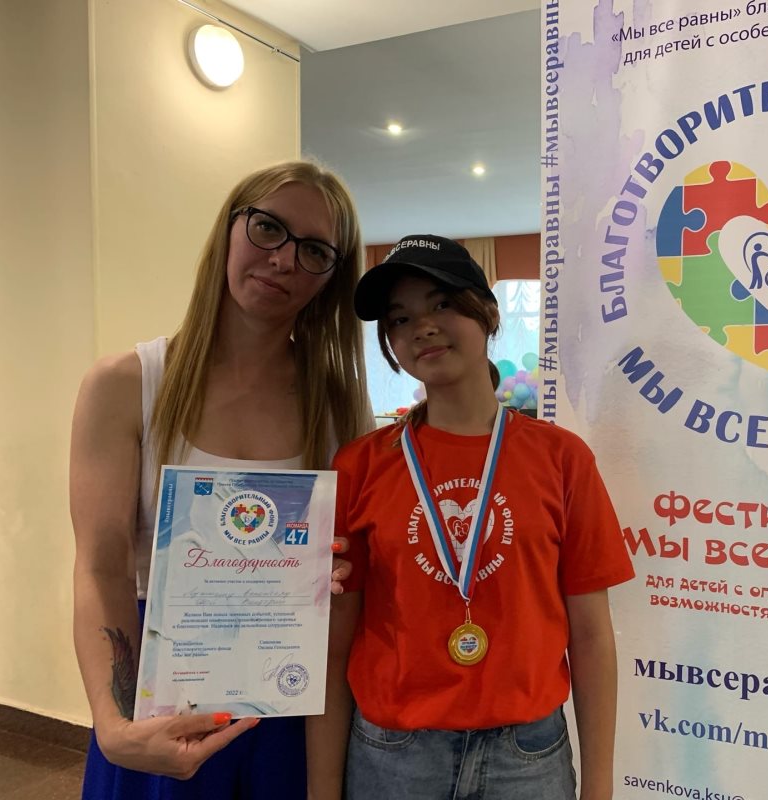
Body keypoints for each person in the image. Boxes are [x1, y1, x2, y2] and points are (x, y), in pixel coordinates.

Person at [70, 160, 372, 799]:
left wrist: (339, 572)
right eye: (269, 228)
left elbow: (351, 586)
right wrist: (115, 725)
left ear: (331, 276)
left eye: (315, 250)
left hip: (289, 707)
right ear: (230, 228)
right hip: (159, 699)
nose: (284, 259)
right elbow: (102, 568)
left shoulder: (340, 407)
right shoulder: (127, 385)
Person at [307, 235, 635, 800]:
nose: (422, 327)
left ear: (486, 313)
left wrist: (599, 786)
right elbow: (335, 641)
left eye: (442, 304)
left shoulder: (561, 459)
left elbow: (590, 636)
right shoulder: (361, 465)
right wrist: (321, 789)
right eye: (400, 318)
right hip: (393, 757)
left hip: (527, 760)